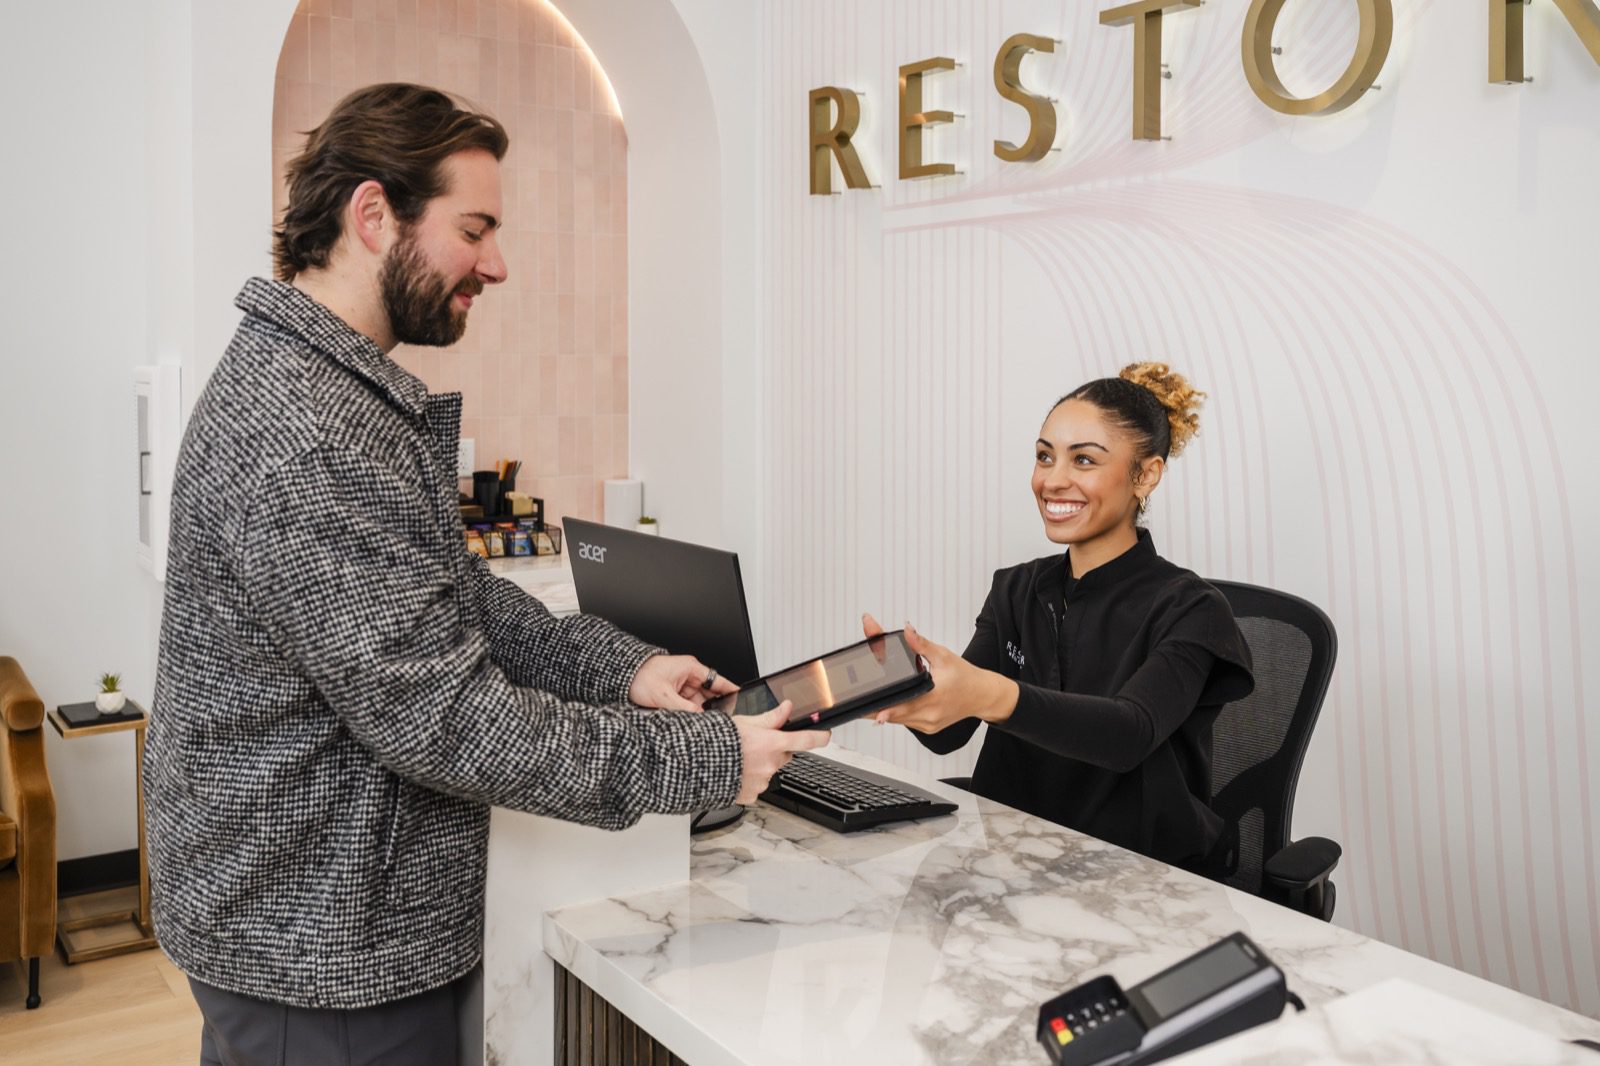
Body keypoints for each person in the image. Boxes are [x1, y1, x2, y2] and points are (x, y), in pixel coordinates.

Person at [146, 83, 826, 1065]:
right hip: (321, 947)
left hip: (326, 922)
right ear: (373, 215)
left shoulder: (329, 391)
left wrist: (620, 671)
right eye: (475, 228)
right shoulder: (311, 432)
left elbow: (449, 597)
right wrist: (710, 760)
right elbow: (448, 720)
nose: (496, 264)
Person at [863, 363, 1252, 873]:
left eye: (1084, 460)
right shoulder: (1016, 588)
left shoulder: (1192, 609)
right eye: (1045, 456)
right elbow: (949, 733)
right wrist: (910, 689)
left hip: (1140, 873)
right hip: (1013, 855)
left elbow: (1128, 733)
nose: (1052, 480)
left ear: (1146, 474)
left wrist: (988, 693)